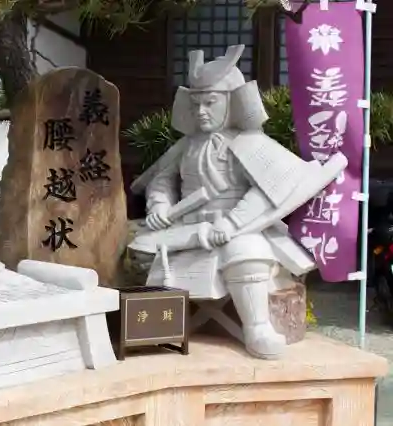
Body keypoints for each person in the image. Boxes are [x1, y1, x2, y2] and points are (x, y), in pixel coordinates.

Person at [129, 45, 346, 359]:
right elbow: (161, 180)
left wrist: (232, 223)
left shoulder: (250, 143)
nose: (201, 111)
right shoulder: (185, 146)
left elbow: (267, 187)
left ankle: (257, 328)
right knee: (140, 251)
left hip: (236, 227)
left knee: (248, 251)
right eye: (196, 104)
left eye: (210, 102)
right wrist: (159, 206)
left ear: (232, 102)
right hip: (186, 228)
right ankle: (158, 330)